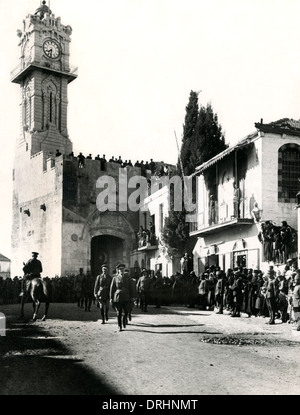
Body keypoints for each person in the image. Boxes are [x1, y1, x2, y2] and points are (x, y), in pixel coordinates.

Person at [110, 263, 133, 331]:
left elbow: (131, 288)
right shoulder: (115, 278)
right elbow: (112, 289)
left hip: (126, 296)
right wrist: (111, 298)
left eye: (123, 269)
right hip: (118, 297)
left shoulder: (128, 278)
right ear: (118, 270)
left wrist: (132, 297)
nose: (121, 270)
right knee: (119, 312)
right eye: (120, 269)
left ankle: (124, 318)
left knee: (126, 311)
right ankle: (119, 325)